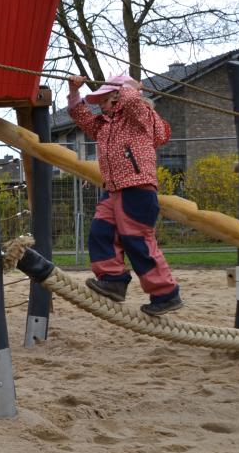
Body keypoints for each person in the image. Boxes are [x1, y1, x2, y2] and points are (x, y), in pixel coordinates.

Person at [68, 72, 183, 315]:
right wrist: (74, 92)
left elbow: (132, 103)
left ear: (120, 97)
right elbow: (82, 117)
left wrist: (130, 88)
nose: (102, 107)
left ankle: (165, 293)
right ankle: (113, 280)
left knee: (137, 242)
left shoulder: (141, 117)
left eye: (107, 100)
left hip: (137, 187)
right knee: (101, 232)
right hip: (113, 190)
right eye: (100, 104)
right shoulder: (105, 125)